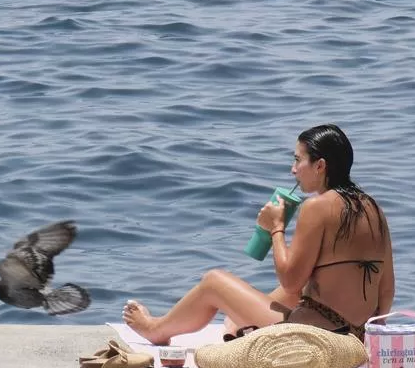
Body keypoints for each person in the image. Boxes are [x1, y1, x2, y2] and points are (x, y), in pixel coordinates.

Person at [123, 124, 393, 345]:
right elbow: (386, 288)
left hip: (318, 338)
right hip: (357, 336)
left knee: (214, 282)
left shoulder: (316, 208)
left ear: (320, 165)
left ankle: (155, 329)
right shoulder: (373, 208)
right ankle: (239, 331)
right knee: (247, 312)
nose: (293, 169)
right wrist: (367, 339)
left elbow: (290, 280)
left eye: (298, 160)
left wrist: (276, 227)